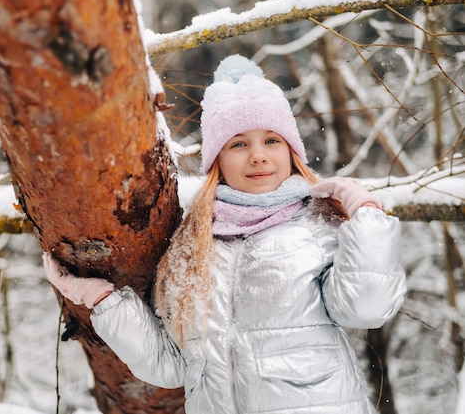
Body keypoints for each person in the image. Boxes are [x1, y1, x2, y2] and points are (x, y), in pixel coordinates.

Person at [42, 54, 407, 414]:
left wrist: (367, 216)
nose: (258, 156)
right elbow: (169, 366)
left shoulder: (319, 227)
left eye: (272, 140)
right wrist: (102, 300)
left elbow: (367, 309)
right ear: (217, 160)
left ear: (292, 151)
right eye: (238, 144)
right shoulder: (193, 246)